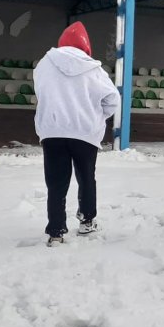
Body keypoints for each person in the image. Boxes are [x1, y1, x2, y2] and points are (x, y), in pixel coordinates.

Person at [33, 21, 120, 246]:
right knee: (86, 178)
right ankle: (86, 221)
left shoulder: (44, 64)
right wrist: (97, 117)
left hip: (52, 131)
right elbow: (113, 100)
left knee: (56, 183)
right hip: (85, 133)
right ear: (86, 45)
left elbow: (40, 91)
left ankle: (56, 232)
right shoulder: (94, 69)